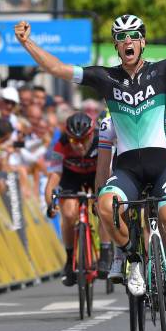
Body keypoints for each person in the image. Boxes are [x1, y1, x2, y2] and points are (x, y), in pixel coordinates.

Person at [15, 1, 166, 324]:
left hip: (162, 163)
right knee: (105, 205)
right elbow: (56, 69)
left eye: (133, 36)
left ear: (142, 42)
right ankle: (133, 258)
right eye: (121, 37)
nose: (128, 41)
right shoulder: (105, 78)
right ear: (116, 45)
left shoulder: (162, 71)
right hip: (127, 169)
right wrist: (27, 43)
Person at [45, 112, 110, 285]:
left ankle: (105, 253)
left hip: (96, 176)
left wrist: (101, 195)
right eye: (75, 141)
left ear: (92, 134)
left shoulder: (100, 142)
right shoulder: (61, 145)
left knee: (103, 207)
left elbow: (108, 172)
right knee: (68, 214)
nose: (79, 146)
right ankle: (69, 260)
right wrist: (50, 202)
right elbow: (53, 178)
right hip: (71, 177)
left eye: (84, 140)